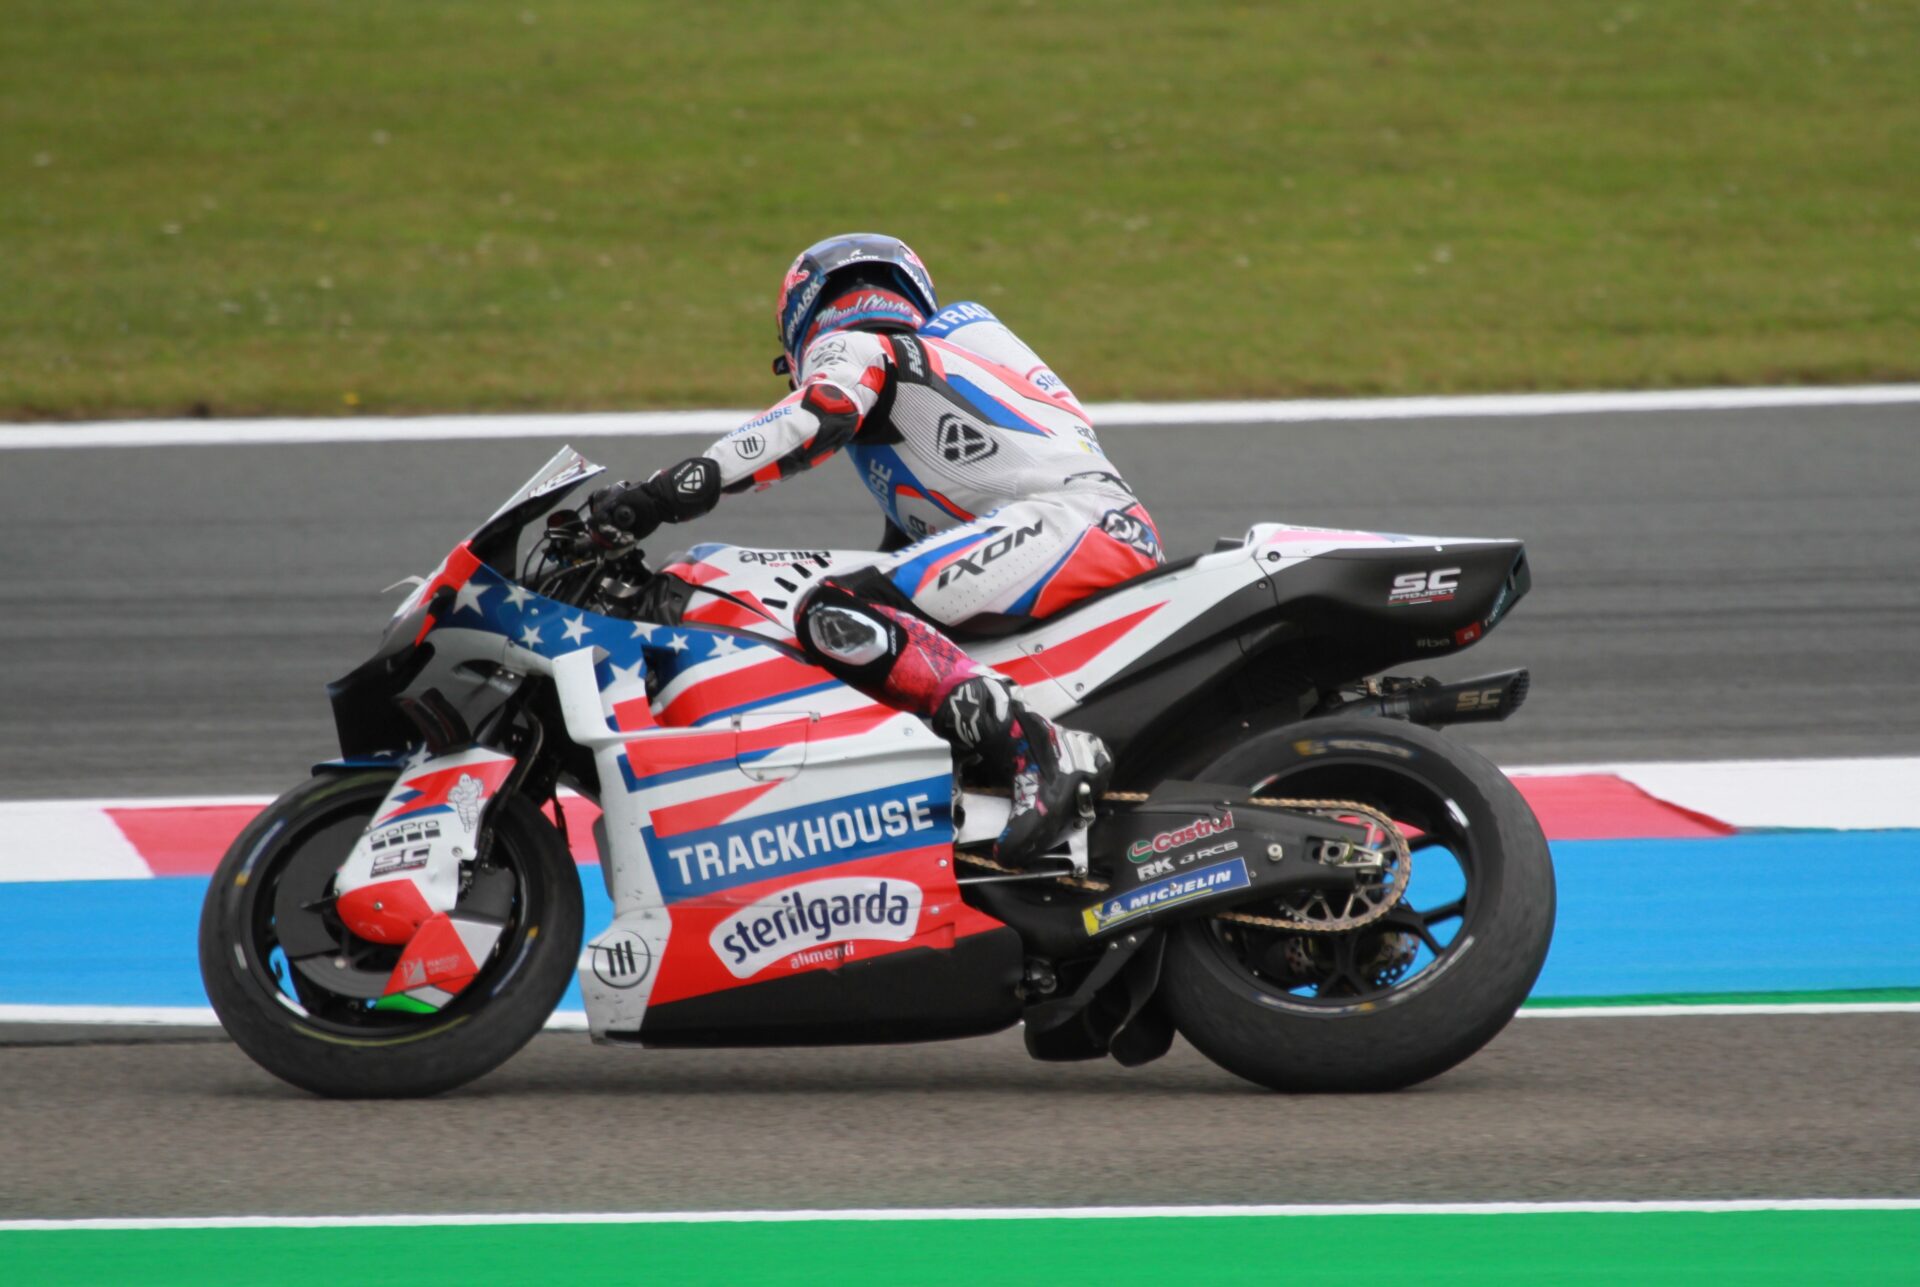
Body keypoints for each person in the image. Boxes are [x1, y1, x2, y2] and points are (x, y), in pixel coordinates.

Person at [591, 233, 1163, 866]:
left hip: (1069, 525)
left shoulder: (861, 347)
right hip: (1089, 525)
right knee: (872, 620)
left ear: (800, 329)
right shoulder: (948, 378)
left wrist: (660, 495)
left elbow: (815, 417)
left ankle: (1040, 748)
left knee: (833, 609)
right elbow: (901, 567)